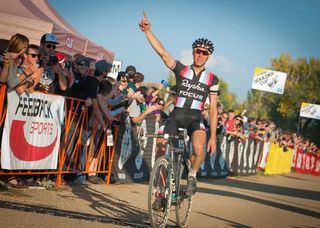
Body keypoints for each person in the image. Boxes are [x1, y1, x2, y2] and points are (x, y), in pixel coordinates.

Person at [139, 12, 219, 196]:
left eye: (204, 53)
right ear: (193, 52)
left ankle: (191, 174)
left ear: (208, 56)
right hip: (176, 116)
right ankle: (163, 189)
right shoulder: (182, 70)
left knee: (199, 149)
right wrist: (147, 32)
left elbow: (213, 109)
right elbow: (163, 53)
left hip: (195, 118)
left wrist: (213, 136)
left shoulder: (212, 79)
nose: (200, 55)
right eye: (198, 51)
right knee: (160, 147)